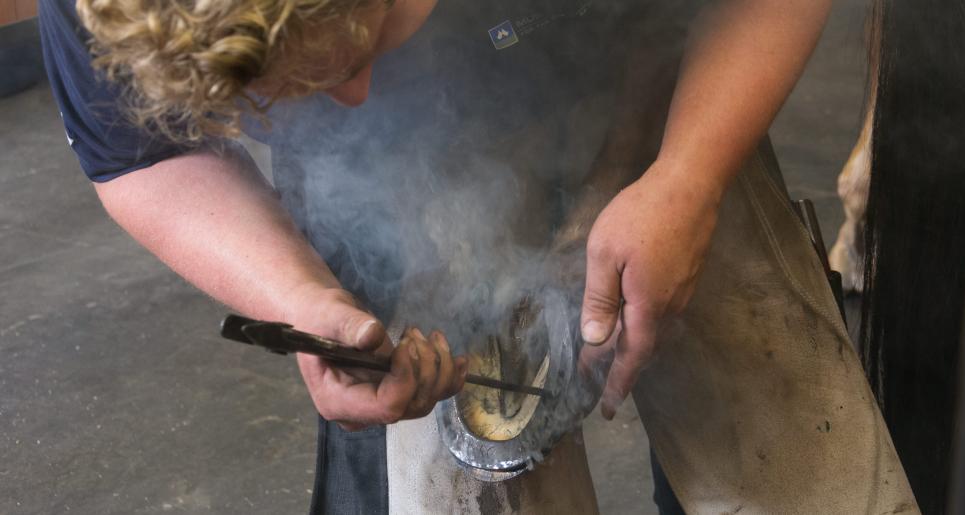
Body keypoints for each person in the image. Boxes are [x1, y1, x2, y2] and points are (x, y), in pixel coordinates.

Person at [40, 0, 917, 513]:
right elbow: (139, 157)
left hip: (672, 68)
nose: (353, 93)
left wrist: (689, 173)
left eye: (369, 36)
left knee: (804, 469)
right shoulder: (119, 7)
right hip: (398, 178)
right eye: (297, 89)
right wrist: (299, 294)